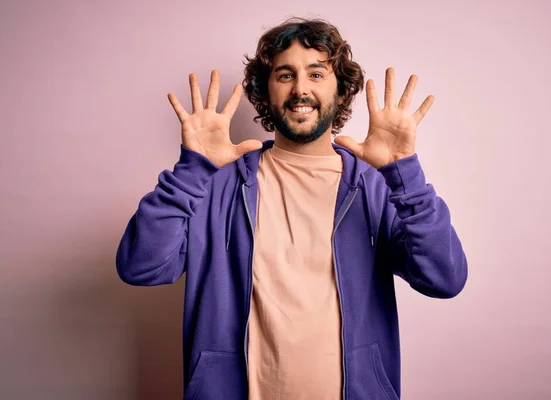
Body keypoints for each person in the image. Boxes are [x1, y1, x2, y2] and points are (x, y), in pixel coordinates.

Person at [116, 17, 468, 400]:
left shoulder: (377, 186)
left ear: (341, 90)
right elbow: (141, 267)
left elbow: (444, 279)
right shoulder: (215, 184)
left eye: (317, 74)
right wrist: (192, 171)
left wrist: (404, 174)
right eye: (285, 75)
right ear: (266, 93)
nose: (301, 89)